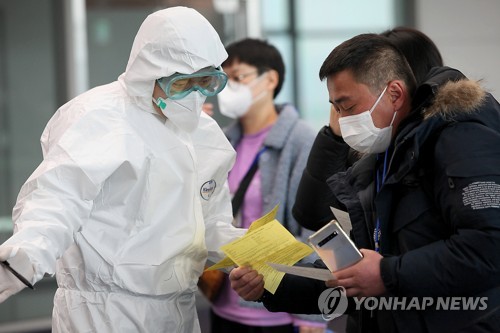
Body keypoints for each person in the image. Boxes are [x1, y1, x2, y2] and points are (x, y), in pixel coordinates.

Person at [229, 33, 500, 332]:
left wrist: (386, 274)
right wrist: (271, 284)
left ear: (395, 92)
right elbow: (356, 278)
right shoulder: (381, 156)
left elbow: (489, 247)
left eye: (347, 106)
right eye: (336, 108)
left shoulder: (462, 138)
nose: (343, 121)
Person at [0, 6, 246, 332]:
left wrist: (266, 258)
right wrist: (18, 262)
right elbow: (57, 201)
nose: (194, 96)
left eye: (206, 83)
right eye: (181, 84)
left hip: (181, 310)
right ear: (150, 72)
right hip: (104, 313)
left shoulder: (205, 135)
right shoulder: (100, 118)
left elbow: (210, 226)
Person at [209, 38, 325, 333]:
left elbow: (314, 228)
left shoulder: (301, 141)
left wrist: (311, 315)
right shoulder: (220, 139)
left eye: (238, 77)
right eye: (225, 79)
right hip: (224, 301)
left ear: (270, 79)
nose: (230, 87)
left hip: (279, 309)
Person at [293, 27, 444, 232]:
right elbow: (313, 215)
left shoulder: (443, 140)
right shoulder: (371, 138)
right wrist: (333, 137)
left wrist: (384, 266)